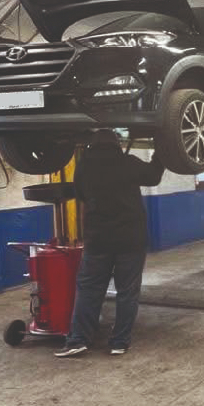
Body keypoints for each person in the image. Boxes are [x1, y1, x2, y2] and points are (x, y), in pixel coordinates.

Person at [55, 129, 165, 357]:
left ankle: (78, 340)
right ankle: (119, 343)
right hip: (131, 239)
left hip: (98, 240)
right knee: (127, 292)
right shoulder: (128, 163)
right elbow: (153, 176)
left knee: (89, 290)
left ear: (92, 145)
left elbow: (81, 194)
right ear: (116, 144)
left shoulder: (84, 167)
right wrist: (162, 153)